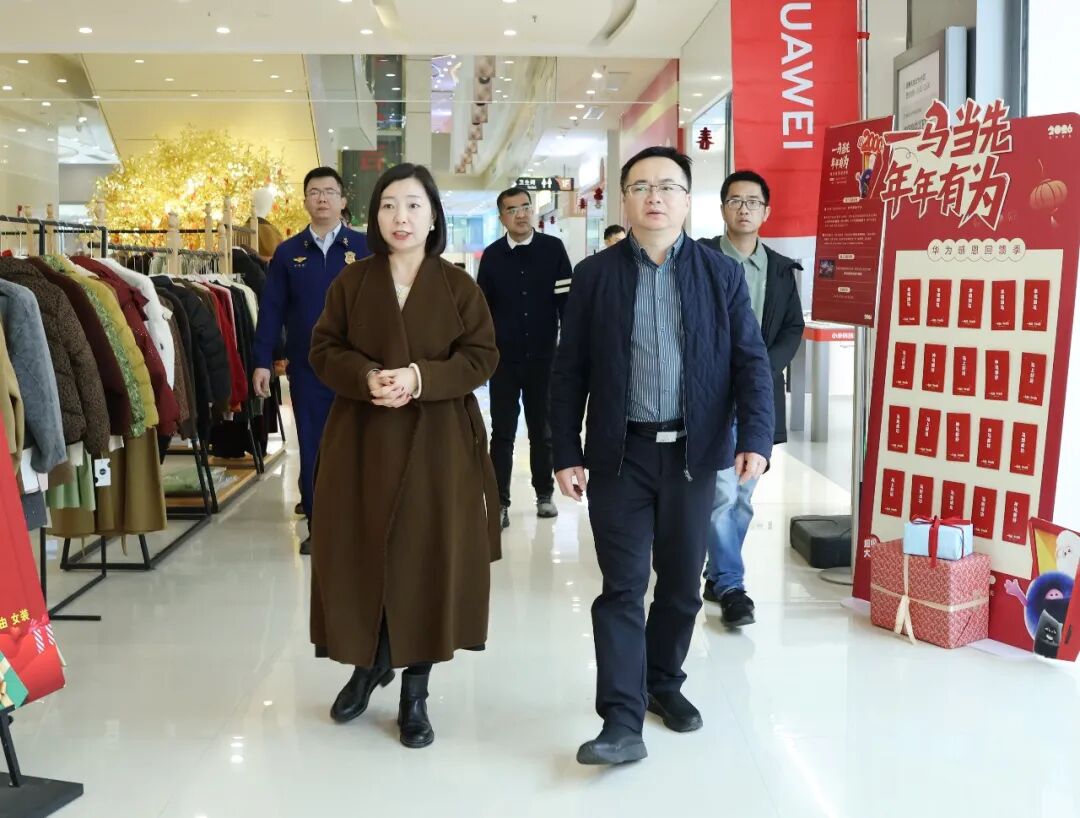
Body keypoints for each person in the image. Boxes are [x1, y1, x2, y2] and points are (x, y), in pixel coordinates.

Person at [550, 146, 775, 766]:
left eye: (668, 187)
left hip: (694, 457)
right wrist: (564, 450)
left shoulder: (718, 274)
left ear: (686, 200)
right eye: (641, 186)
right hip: (620, 456)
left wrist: (756, 438)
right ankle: (621, 720)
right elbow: (568, 372)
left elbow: (751, 362)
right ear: (624, 199)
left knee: (679, 587)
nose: (655, 197)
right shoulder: (594, 275)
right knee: (622, 587)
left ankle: (662, 683)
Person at [307, 162, 501, 750]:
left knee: (426, 558)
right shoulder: (352, 281)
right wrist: (366, 376)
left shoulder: (459, 286)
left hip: (438, 443)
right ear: (374, 216)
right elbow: (323, 349)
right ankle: (368, 665)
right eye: (390, 205)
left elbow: (482, 356)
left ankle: (415, 691)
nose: (401, 217)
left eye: (414, 205)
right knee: (362, 553)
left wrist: (420, 378)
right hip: (362, 440)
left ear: (433, 216)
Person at [700, 170, 805, 627]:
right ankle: (730, 584)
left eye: (753, 201)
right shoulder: (700, 258)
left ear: (766, 211)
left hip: (758, 398)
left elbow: (793, 327)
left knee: (741, 494)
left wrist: (761, 369)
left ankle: (717, 574)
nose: (744, 209)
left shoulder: (780, 268)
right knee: (722, 492)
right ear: (723, 208)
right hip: (709, 396)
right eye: (735, 200)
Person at [252, 167, 368, 555]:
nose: (322, 198)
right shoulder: (289, 253)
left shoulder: (365, 248)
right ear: (305, 201)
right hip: (308, 368)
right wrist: (262, 360)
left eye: (329, 192)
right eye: (314, 192)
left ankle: (357, 523)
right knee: (313, 444)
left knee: (358, 445)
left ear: (342, 200)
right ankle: (320, 524)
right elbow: (271, 309)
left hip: (358, 369)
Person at [477, 186, 573, 529]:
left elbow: (567, 304)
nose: (521, 214)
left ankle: (544, 494)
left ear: (533, 210)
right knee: (502, 433)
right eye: (512, 209)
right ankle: (499, 501)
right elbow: (482, 312)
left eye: (525, 207)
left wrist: (568, 352)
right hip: (504, 361)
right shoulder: (492, 257)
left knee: (542, 431)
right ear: (501, 217)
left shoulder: (553, 250)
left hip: (544, 360)